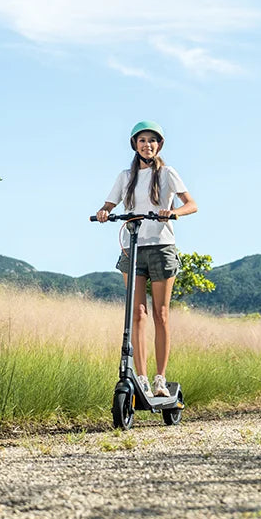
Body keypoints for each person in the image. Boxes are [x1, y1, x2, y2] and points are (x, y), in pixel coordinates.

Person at [95, 120, 198, 398]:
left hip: (162, 247)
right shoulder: (125, 177)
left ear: (159, 145)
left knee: (160, 314)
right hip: (133, 247)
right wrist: (104, 212)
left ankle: (160, 379)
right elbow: (108, 205)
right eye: (142, 140)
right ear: (135, 145)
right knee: (137, 314)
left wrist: (173, 213)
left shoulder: (167, 173)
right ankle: (140, 379)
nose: (147, 145)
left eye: (152, 140)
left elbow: (191, 204)